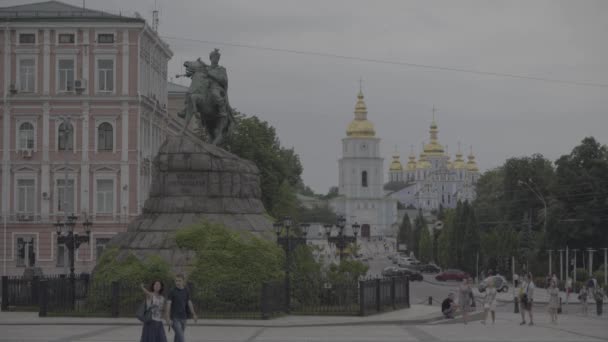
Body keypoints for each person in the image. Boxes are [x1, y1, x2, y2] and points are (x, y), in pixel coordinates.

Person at [166, 274, 198, 342]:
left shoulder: (186, 290)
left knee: (178, 336)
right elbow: (168, 304)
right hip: (175, 318)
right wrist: (168, 317)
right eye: (176, 281)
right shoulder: (172, 291)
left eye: (179, 281)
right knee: (181, 337)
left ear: (183, 281)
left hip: (184, 318)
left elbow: (189, 302)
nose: (177, 282)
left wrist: (194, 314)